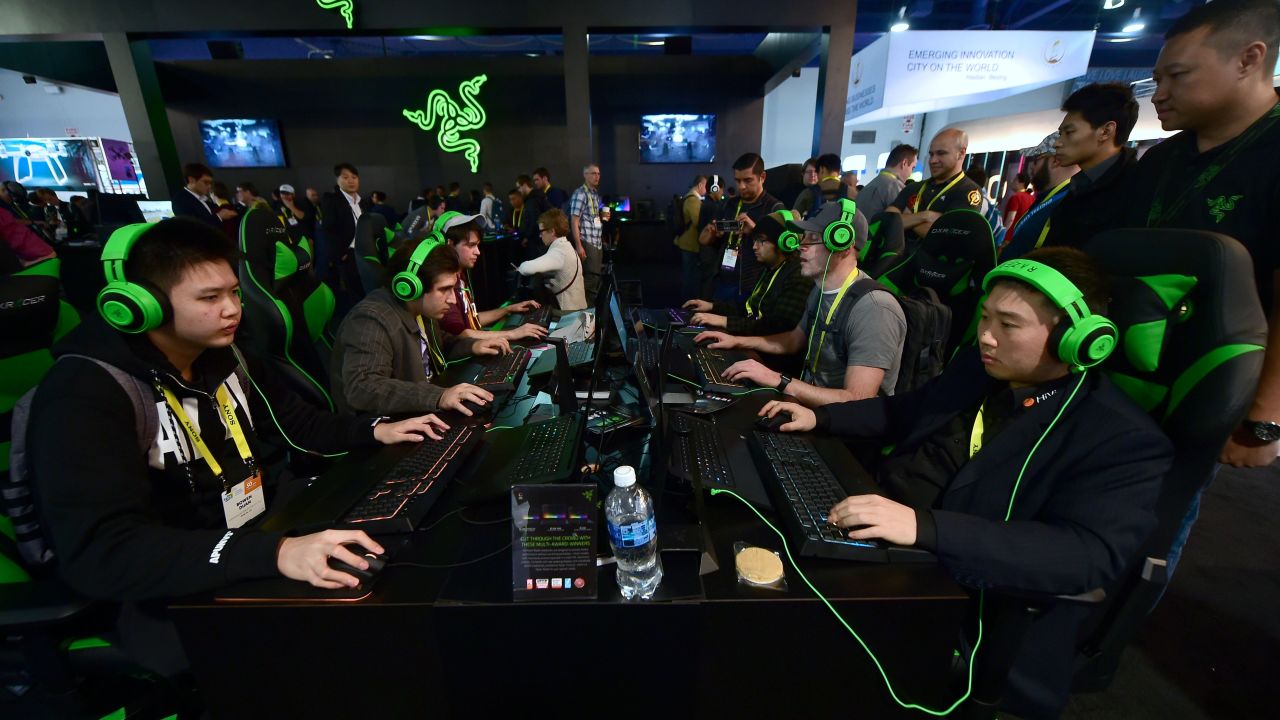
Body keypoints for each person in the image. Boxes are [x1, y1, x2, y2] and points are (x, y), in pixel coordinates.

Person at [757, 247, 1172, 718]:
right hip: (883, 543)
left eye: (1008, 325)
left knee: (771, 640)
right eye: (985, 317)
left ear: (1078, 338)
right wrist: (821, 417)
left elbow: (1084, 555)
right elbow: (903, 411)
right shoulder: (979, 370)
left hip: (952, 602)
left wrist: (924, 527)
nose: (986, 337)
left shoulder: (1121, 437)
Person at [26, 218, 450, 675]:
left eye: (234, 292)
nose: (232, 310)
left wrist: (375, 431)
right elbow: (105, 552)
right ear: (137, 305)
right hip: (170, 588)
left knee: (401, 565)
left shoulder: (224, 356)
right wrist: (275, 553)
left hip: (253, 535)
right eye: (209, 298)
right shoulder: (86, 393)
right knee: (359, 650)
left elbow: (300, 423)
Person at [1126, 0, 1280, 579]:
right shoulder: (1164, 158)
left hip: (1211, 384)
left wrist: (1262, 417)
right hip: (1132, 369)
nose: (1159, 93)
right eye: (1157, 78)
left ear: (1249, 59)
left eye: (1177, 76)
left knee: (1158, 525)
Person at [695, 199, 906, 406]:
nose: (801, 245)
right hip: (809, 404)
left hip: (842, 429)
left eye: (813, 238)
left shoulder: (875, 309)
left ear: (841, 243)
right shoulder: (819, 290)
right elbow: (793, 341)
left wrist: (780, 380)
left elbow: (858, 401)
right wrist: (736, 342)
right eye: (804, 236)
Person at [331, 237, 505, 417]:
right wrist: (439, 396)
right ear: (411, 287)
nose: (452, 299)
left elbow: (438, 344)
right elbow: (362, 387)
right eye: (444, 289)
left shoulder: (421, 310)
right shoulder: (371, 320)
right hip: (386, 429)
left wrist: (473, 346)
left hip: (419, 408)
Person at [1040, 82, 1140, 250]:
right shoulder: (1078, 186)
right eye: (1060, 134)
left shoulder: (1137, 189)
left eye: (1069, 132)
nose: (1057, 143)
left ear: (1106, 131)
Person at [683, 210, 812, 340]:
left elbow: (777, 326)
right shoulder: (770, 269)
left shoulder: (799, 275)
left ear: (785, 242)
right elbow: (750, 309)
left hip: (769, 354)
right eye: (755, 240)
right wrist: (712, 307)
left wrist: (725, 321)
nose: (754, 247)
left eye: (761, 240)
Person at [436, 212, 546, 342]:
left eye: (477, 245)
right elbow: (460, 334)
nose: (477, 252)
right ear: (449, 245)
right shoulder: (445, 285)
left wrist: (507, 309)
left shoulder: (461, 276)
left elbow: (473, 320)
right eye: (471, 245)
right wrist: (512, 333)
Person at [697, 153, 785, 299]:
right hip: (724, 279)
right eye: (737, 181)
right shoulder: (728, 204)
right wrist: (712, 235)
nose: (741, 187)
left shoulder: (775, 207)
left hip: (755, 285)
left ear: (762, 177)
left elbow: (782, 251)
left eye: (748, 180)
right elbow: (707, 240)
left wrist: (755, 231)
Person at [886, 129, 983, 239]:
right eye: (931, 154)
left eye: (941, 153)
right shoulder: (914, 187)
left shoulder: (968, 191)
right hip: (897, 255)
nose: (933, 160)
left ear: (961, 154)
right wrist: (925, 216)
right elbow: (886, 220)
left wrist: (906, 219)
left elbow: (945, 238)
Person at [999, 134, 1079, 260]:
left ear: (1055, 161)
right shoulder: (1051, 198)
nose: (1032, 167)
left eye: (1036, 160)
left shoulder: (1067, 204)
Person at [516, 208, 588, 313]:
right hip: (576, 308)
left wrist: (520, 267)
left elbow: (526, 268)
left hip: (569, 313)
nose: (540, 235)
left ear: (552, 231)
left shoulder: (559, 252)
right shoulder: (565, 245)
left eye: (541, 231)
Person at [318, 162, 368, 302]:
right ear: (337, 180)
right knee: (354, 294)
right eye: (345, 177)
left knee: (367, 288)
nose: (351, 181)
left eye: (354, 177)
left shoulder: (362, 202)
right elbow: (328, 230)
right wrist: (341, 254)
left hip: (365, 252)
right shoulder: (332, 200)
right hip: (348, 255)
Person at [568, 163, 605, 295]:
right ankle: (586, 313)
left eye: (598, 173)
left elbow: (591, 217)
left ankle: (591, 312)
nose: (597, 176)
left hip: (597, 242)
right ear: (585, 175)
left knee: (595, 278)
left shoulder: (594, 193)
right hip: (586, 242)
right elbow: (574, 220)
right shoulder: (580, 193)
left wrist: (602, 216)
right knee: (590, 280)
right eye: (593, 173)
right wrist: (579, 245)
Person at [857, 144, 917, 221]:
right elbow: (904, 220)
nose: (910, 174)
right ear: (904, 163)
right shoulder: (894, 186)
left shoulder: (870, 185)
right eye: (913, 168)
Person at [172, 163, 234, 229]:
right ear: (191, 180)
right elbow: (193, 226)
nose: (209, 186)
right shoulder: (181, 200)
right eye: (206, 182)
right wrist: (219, 216)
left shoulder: (203, 199)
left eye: (210, 183)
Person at [674, 176, 707, 300]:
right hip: (690, 244)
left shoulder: (689, 198)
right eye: (706, 186)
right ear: (700, 185)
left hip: (687, 242)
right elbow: (698, 222)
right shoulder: (693, 200)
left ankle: (688, 302)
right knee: (690, 277)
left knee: (689, 275)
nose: (707, 190)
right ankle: (688, 304)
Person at [695, 173, 727, 299]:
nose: (722, 192)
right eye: (722, 189)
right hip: (710, 249)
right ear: (715, 188)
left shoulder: (706, 203)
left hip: (705, 249)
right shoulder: (713, 206)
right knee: (709, 280)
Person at [793, 153, 849, 219]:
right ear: (839, 171)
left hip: (812, 228)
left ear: (822, 170)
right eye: (809, 172)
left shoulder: (809, 193)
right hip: (840, 228)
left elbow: (793, 218)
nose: (813, 175)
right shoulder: (851, 192)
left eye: (816, 171)